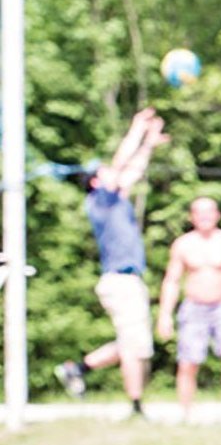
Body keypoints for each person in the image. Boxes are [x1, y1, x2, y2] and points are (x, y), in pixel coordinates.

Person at [55, 109, 169, 416]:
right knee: (135, 347)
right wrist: (136, 130)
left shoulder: (115, 200)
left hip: (127, 280)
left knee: (136, 345)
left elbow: (131, 172)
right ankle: (135, 407)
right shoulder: (101, 201)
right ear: (95, 182)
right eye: (104, 172)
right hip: (120, 280)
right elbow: (121, 165)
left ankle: (76, 368)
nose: (113, 173)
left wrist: (148, 145)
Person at [157, 197, 221, 422]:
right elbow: (171, 280)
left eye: (209, 211)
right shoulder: (183, 244)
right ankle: (186, 412)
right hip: (193, 308)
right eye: (199, 212)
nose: (204, 216)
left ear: (217, 215)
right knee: (188, 361)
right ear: (192, 216)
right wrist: (164, 315)